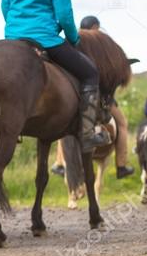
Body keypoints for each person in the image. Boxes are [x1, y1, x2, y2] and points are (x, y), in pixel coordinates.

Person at [1, 0, 109, 151]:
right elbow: (65, 15)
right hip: (46, 39)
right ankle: (88, 133)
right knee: (90, 73)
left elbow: (5, 8)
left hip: (13, 40)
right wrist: (73, 39)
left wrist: (15, 31)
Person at [50, 15, 135, 178]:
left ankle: (59, 162)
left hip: (72, 92)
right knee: (122, 123)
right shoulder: (101, 44)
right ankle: (122, 164)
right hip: (96, 95)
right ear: (96, 27)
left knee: (63, 124)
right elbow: (107, 75)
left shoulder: (71, 40)